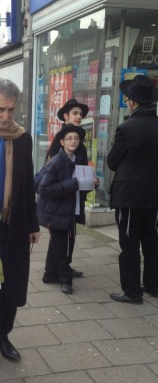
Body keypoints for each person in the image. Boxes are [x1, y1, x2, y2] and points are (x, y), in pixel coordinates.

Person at [107, 75, 158, 304]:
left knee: (129, 244)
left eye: (127, 98)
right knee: (151, 241)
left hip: (130, 197)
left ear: (133, 102)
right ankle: (153, 285)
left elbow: (112, 162)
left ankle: (132, 291)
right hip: (153, 195)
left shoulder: (127, 128)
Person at [0, 78, 40, 362]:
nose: (6, 116)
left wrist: (33, 224)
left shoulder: (22, 139)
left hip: (11, 225)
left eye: (11, 110)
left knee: (11, 285)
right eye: (1, 109)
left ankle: (3, 335)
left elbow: (27, 186)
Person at [37, 124, 99, 294]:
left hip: (69, 210)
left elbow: (80, 186)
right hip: (56, 212)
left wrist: (92, 184)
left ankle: (50, 275)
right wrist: (72, 184)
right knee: (61, 246)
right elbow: (45, 189)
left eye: (76, 138)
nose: (73, 141)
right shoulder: (56, 161)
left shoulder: (77, 160)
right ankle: (65, 280)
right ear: (62, 142)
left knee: (58, 244)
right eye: (69, 138)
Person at [45, 98, 89, 278]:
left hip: (75, 194)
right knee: (61, 235)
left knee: (68, 234)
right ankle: (58, 271)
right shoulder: (60, 141)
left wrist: (89, 182)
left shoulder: (80, 143)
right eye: (75, 113)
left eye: (81, 114)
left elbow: (84, 169)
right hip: (62, 195)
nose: (79, 117)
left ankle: (55, 269)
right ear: (66, 116)